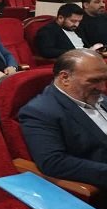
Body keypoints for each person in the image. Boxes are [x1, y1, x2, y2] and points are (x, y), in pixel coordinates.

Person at [19, 49, 107, 189]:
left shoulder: (95, 96)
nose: (102, 87)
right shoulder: (40, 111)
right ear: (65, 78)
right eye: (94, 81)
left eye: (104, 79)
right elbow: (54, 163)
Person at [35, 3, 103, 59]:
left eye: (79, 21)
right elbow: (47, 51)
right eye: (73, 21)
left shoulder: (76, 29)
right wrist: (76, 52)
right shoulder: (48, 31)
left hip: (87, 57)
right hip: (70, 62)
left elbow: (86, 45)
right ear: (60, 18)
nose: (76, 24)